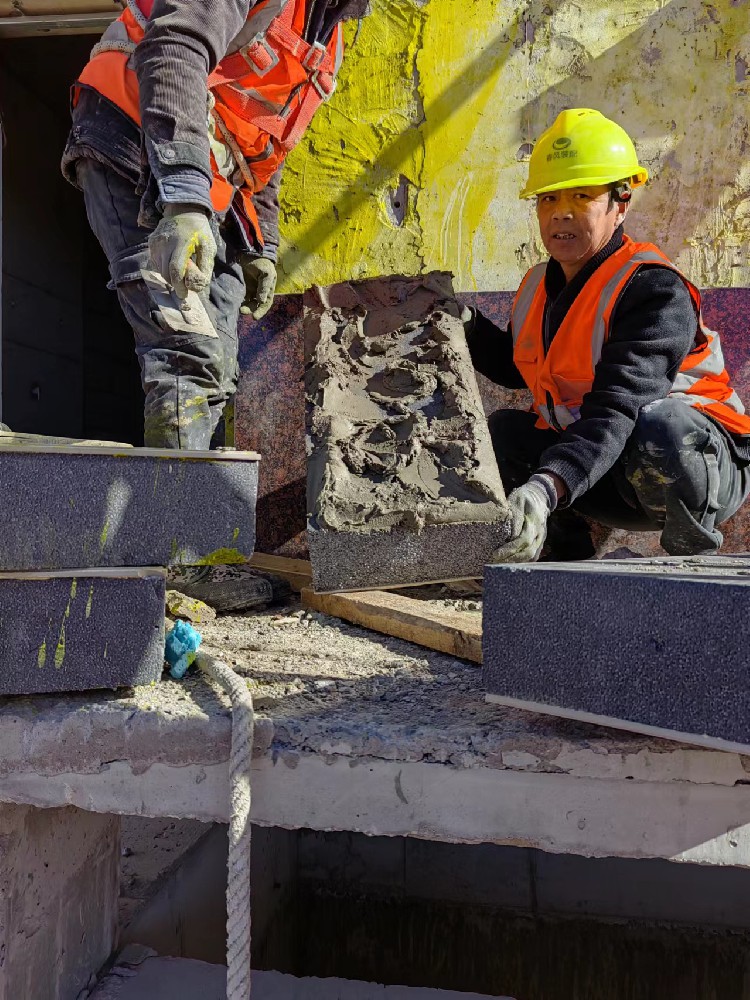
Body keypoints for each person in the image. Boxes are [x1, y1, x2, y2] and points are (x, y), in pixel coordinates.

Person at [62, 0, 368, 449]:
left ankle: (191, 481)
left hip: (209, 181)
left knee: (220, 364)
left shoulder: (327, 35)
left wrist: (261, 245)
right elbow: (174, 48)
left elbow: (266, 142)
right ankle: (176, 494)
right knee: (188, 354)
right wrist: (184, 201)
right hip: (135, 136)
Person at [465, 108, 750, 561]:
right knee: (505, 432)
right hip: (607, 464)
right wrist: (463, 322)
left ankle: (691, 559)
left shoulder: (655, 289)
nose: (561, 213)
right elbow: (517, 367)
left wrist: (545, 486)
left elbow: (620, 406)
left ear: (621, 204)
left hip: (697, 465)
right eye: (548, 198)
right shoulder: (538, 284)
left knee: (661, 426)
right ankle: (562, 557)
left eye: (582, 196)